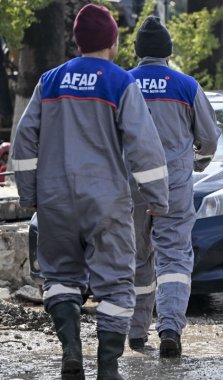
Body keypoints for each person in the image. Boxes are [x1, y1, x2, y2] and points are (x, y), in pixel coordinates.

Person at [11, 4, 169, 379]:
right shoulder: (119, 82)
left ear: (76, 41)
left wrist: (29, 194)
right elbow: (144, 146)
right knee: (116, 283)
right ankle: (108, 366)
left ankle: (71, 352)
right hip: (106, 202)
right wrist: (158, 197)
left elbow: (23, 142)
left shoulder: (49, 81)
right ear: (113, 42)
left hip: (55, 201)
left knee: (61, 277)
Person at [127, 16, 220, 357]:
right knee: (175, 258)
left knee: (137, 258)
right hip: (174, 185)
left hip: (131, 184)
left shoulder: (123, 83)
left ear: (137, 51)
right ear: (167, 51)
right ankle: (169, 328)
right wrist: (198, 162)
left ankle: (136, 333)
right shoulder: (185, 85)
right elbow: (209, 138)